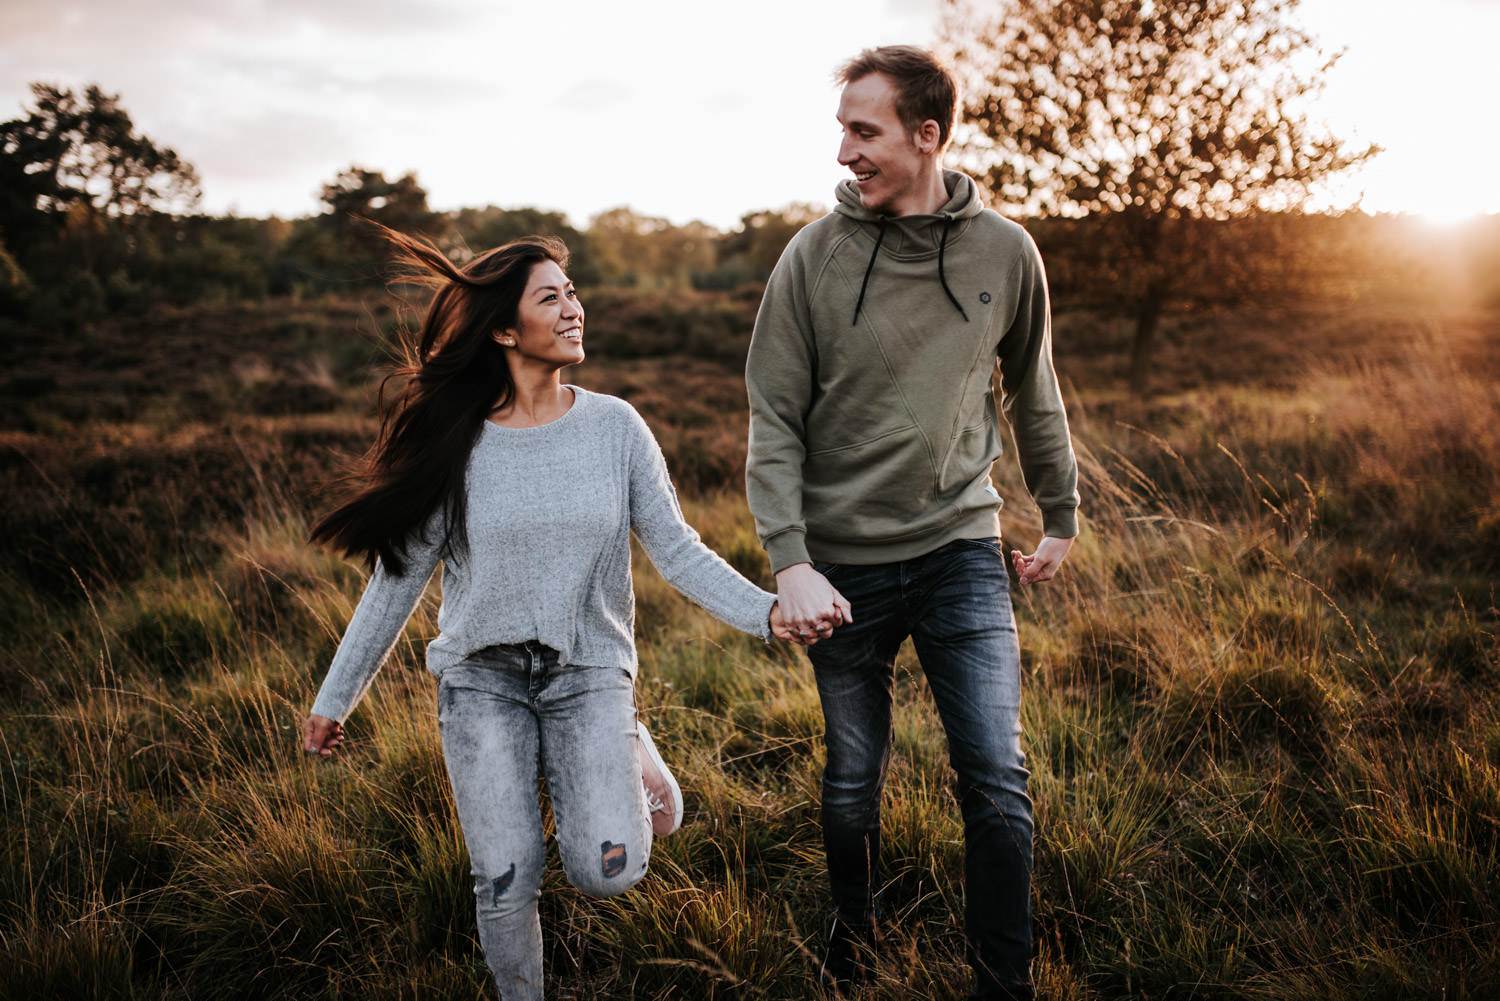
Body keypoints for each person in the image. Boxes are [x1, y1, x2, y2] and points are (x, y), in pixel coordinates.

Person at [301, 227, 793, 1001]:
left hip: (588, 670)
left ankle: (627, 737)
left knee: (611, 870)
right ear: (504, 328)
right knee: (505, 875)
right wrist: (336, 698)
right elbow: (395, 581)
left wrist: (769, 614)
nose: (575, 309)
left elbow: (679, 550)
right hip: (481, 680)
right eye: (551, 297)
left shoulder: (615, 428)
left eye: (573, 292)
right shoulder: (454, 443)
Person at [744, 45, 1081, 1001]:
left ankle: (1001, 983)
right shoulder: (812, 257)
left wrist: (1059, 510)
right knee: (853, 785)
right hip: (839, 570)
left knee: (996, 776)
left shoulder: (1005, 251)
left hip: (960, 548)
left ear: (927, 135)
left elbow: (1033, 389)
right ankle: (855, 944)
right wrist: (790, 560)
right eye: (843, 129)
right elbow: (773, 416)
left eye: (865, 130)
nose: (844, 151)